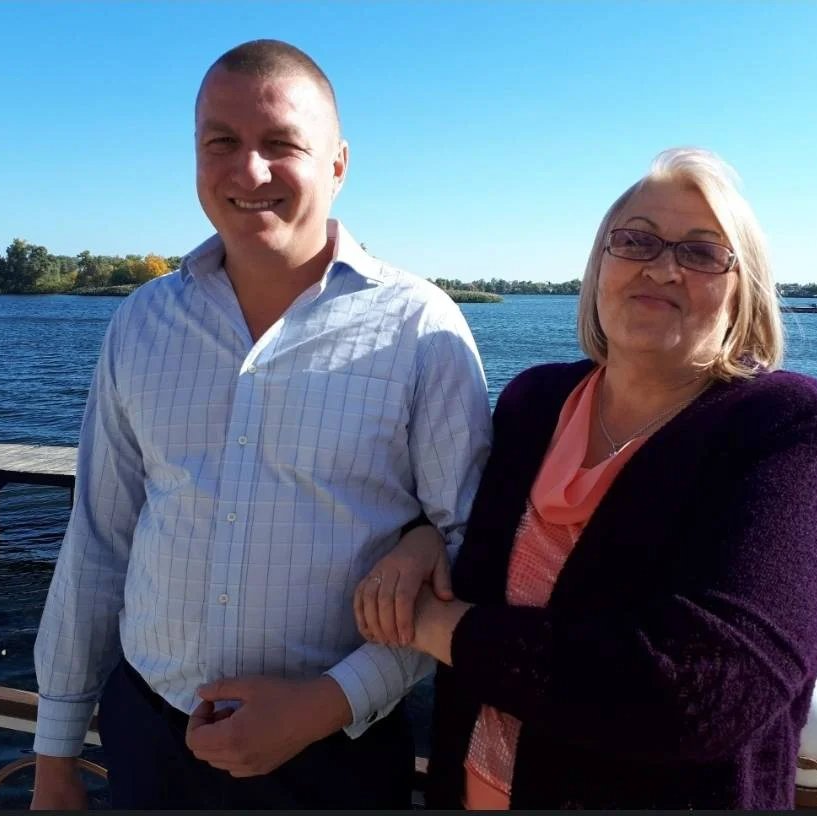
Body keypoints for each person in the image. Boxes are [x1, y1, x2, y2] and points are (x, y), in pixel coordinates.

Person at [30, 39, 491, 810]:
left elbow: (464, 545)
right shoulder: (142, 321)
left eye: (281, 144)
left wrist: (329, 701)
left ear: (338, 165)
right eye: (222, 143)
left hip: (333, 755)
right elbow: (100, 537)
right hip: (150, 735)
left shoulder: (420, 327)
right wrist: (54, 757)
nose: (249, 172)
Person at [356, 148, 817, 809]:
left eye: (701, 252)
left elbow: (701, 691)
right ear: (600, 265)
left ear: (743, 287)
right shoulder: (533, 403)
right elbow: (467, 527)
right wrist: (423, 538)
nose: (661, 266)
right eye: (635, 240)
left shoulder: (781, 425)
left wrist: (431, 625)